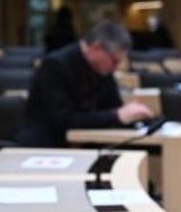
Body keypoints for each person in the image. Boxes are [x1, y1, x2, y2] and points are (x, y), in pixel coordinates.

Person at [16, 21, 154, 148]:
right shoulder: (56, 65)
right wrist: (117, 116)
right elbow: (63, 121)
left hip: (87, 143)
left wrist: (133, 118)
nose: (115, 68)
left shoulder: (102, 69)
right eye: (114, 61)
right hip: (46, 146)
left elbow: (113, 108)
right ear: (96, 47)